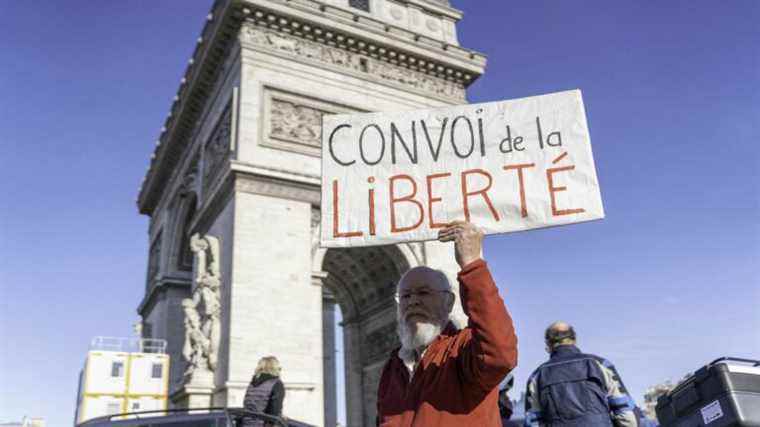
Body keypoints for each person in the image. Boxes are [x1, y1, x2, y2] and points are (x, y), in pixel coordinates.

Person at [377, 221, 518, 426]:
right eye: (405, 296)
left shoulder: (463, 351)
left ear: (449, 302)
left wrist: (472, 266)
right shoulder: (392, 367)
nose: (413, 301)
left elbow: (500, 355)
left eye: (424, 293)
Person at [524, 322, 638, 427]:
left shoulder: (537, 376)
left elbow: (533, 421)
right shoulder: (600, 365)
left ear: (548, 344)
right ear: (574, 339)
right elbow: (625, 412)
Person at [242, 356, 285, 427]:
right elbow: (274, 410)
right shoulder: (276, 384)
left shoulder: (252, 384)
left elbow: (247, 404)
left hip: (246, 423)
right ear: (275, 368)